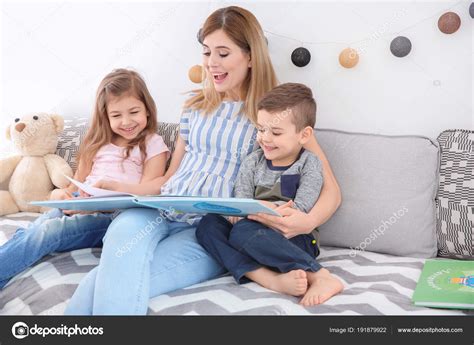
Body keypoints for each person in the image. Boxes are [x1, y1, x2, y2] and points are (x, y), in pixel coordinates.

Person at [64, 6, 342, 315]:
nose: (212, 63)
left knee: (98, 284)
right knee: (115, 257)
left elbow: (331, 190)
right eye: (207, 52)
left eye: (223, 53)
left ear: (250, 56)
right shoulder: (195, 106)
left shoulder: (273, 116)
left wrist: (309, 221)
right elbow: (166, 181)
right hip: (157, 211)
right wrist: (111, 189)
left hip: (207, 229)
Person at [0, 68, 169, 289]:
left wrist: (109, 190)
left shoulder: (153, 143)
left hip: (113, 217)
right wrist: (65, 196)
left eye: (134, 111)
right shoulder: (95, 143)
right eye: (116, 115)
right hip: (80, 206)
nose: (126, 121)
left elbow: (149, 190)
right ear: (105, 117)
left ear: (147, 110)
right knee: (32, 230)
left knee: (49, 232)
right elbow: (74, 186)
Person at [196, 83, 343, 306]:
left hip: (296, 237)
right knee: (208, 225)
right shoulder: (252, 161)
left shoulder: (309, 163)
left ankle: (320, 275)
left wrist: (263, 212)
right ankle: (271, 279)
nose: (265, 138)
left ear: (304, 135)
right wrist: (243, 212)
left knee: (244, 232)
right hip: (251, 229)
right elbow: (242, 201)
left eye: (275, 132)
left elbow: (300, 209)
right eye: (261, 129)